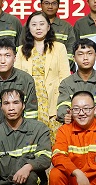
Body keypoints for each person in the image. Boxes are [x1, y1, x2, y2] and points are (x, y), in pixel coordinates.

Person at [15, 10, 68, 140]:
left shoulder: (59, 48)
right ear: (28, 28)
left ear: (48, 27)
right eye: (34, 24)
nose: (38, 28)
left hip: (53, 99)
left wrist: (63, 104)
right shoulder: (21, 50)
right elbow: (17, 79)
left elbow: (65, 77)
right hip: (30, 100)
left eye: (42, 24)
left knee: (55, 141)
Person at [56, 38, 96, 125]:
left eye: (89, 53)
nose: (85, 58)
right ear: (74, 58)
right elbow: (63, 105)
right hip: (74, 125)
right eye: (80, 54)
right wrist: (65, 115)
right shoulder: (66, 83)